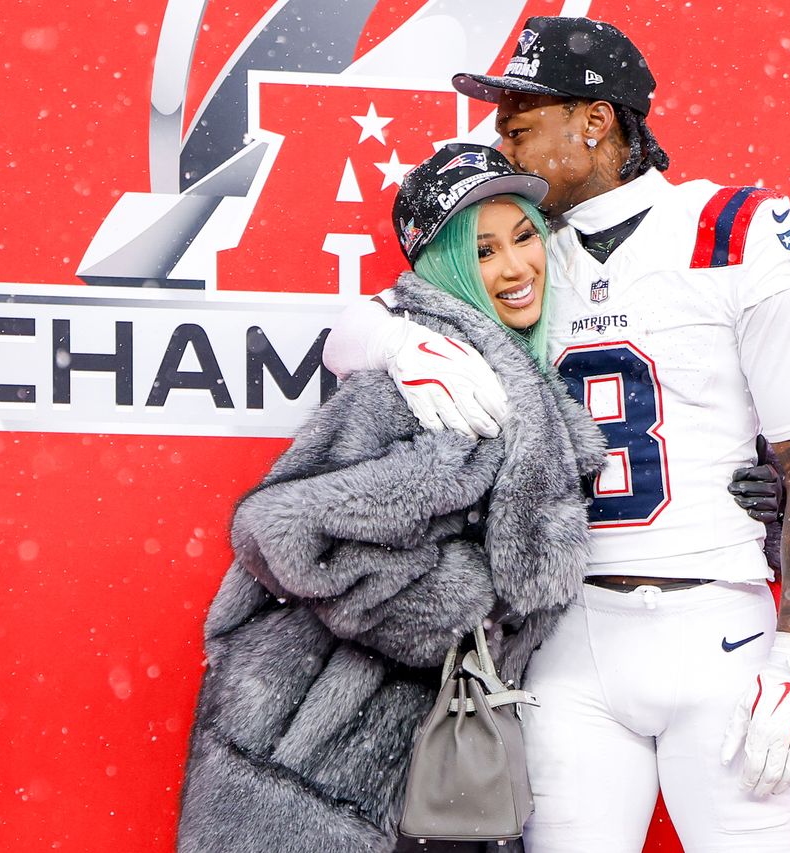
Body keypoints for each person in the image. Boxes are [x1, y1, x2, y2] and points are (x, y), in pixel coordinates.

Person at [323, 16, 790, 853]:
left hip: (719, 624)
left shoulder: (730, 229)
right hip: (571, 639)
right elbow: (351, 330)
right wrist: (395, 338)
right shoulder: (527, 250)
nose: (501, 145)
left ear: (595, 121)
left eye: (519, 125)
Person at [175, 143, 610, 853]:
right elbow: (284, 529)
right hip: (329, 765)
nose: (515, 267)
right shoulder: (435, 388)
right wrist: (464, 604)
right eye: (483, 250)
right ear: (443, 267)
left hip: (433, 760)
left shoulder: (518, 376)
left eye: (526, 236)